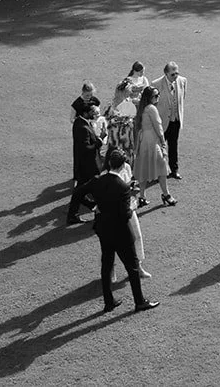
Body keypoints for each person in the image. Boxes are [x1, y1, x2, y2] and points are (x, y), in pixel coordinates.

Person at [86, 147, 158, 312]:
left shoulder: (99, 180)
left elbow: (79, 193)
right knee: (131, 266)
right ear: (122, 164)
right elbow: (124, 214)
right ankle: (139, 302)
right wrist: (132, 204)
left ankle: (109, 302)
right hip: (119, 230)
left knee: (106, 264)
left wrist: (95, 207)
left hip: (104, 228)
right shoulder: (118, 185)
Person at [133, 85, 175, 209]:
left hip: (143, 141)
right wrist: (163, 143)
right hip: (152, 141)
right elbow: (159, 127)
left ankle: (142, 196)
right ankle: (166, 194)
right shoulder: (151, 108)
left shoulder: (142, 108)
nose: (158, 97)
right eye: (156, 96)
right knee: (162, 168)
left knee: (143, 170)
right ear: (149, 98)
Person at [67, 101, 105, 224]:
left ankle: (77, 213)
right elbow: (87, 149)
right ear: (85, 112)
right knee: (94, 190)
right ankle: (98, 210)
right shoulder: (82, 127)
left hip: (85, 165)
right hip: (87, 166)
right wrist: (100, 140)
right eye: (91, 112)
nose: (94, 114)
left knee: (80, 191)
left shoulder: (81, 123)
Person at [150, 61, 187, 179]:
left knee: (173, 145)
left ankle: (174, 170)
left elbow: (182, 98)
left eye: (177, 73)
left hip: (175, 120)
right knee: (159, 146)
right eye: (173, 74)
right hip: (161, 121)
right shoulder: (156, 84)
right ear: (166, 73)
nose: (175, 76)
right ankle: (155, 171)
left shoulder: (182, 81)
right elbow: (152, 104)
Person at [104, 79, 137, 158]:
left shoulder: (129, 101)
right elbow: (106, 120)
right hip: (115, 135)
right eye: (128, 90)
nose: (130, 92)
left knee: (127, 156)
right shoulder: (111, 105)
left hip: (127, 135)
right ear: (123, 91)